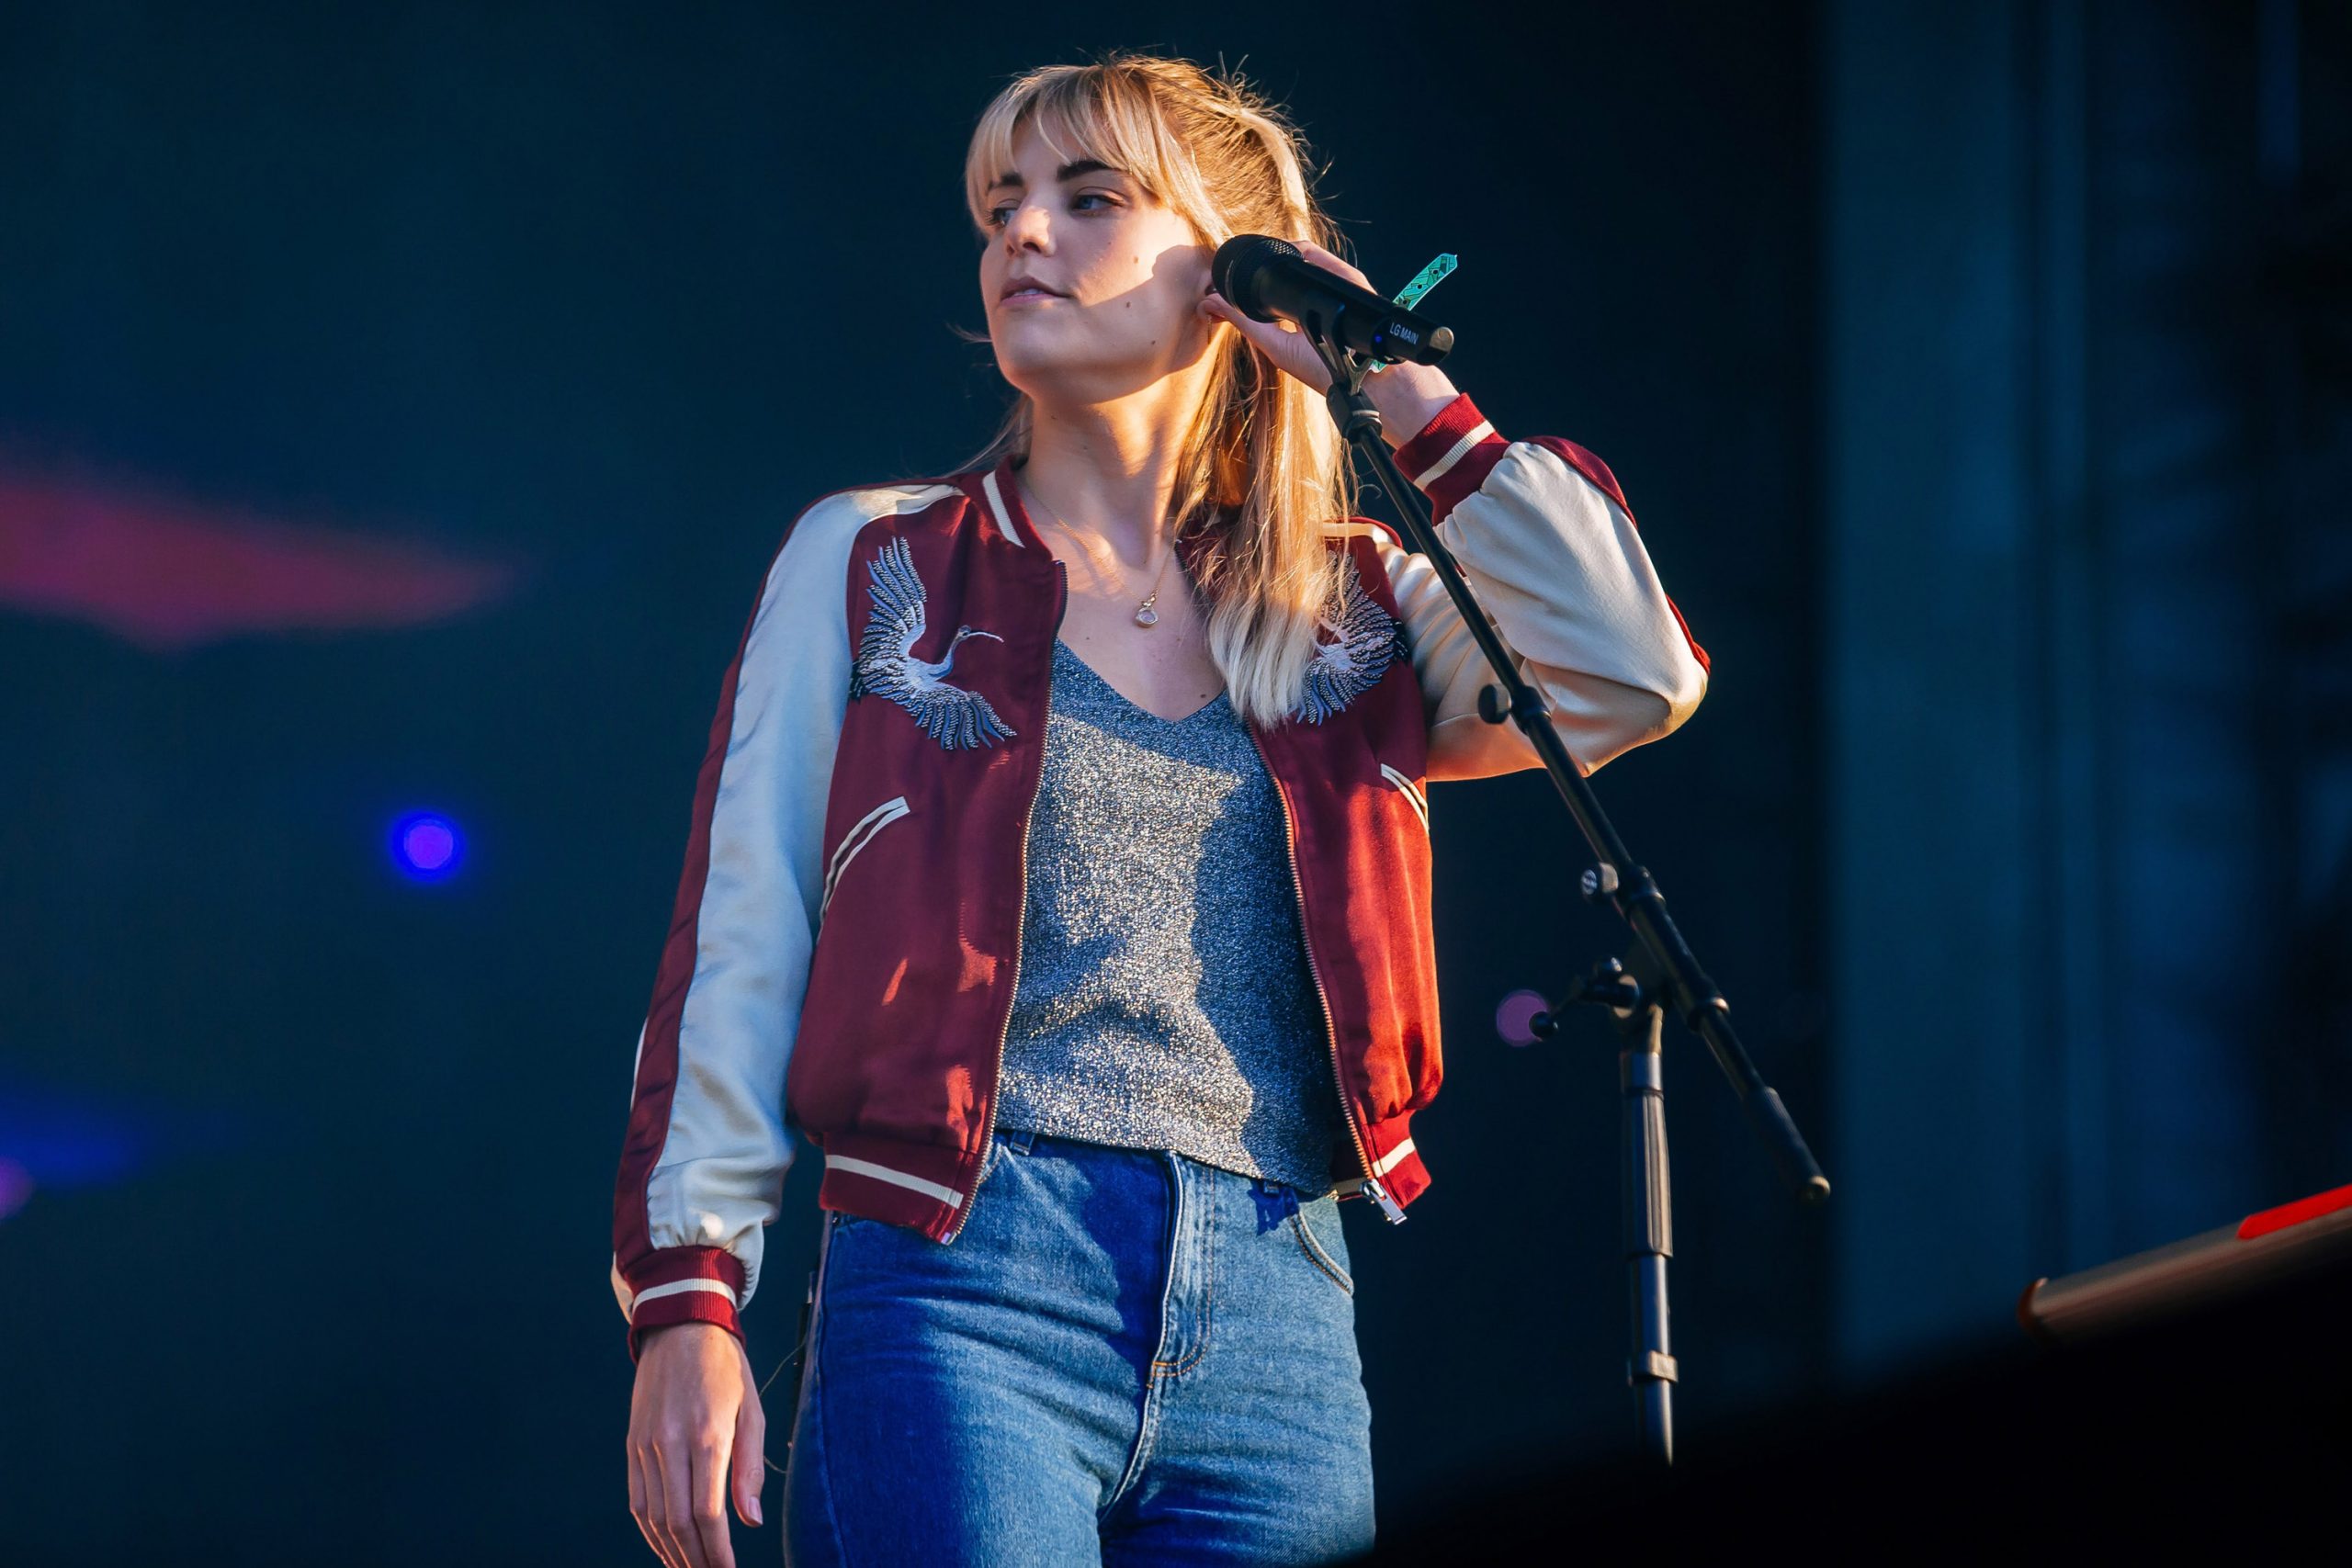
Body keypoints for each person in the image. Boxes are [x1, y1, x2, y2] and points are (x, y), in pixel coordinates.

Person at [614, 51, 1710, 1568]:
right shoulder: (875, 562)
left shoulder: (1351, 608)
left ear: (1232, 270)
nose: (1021, 236)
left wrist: (1387, 370)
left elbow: (1628, 671)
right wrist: (692, 1301)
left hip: (1282, 1310)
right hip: (964, 1276)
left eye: (1086, 197)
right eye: (1001, 204)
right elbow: (741, 939)